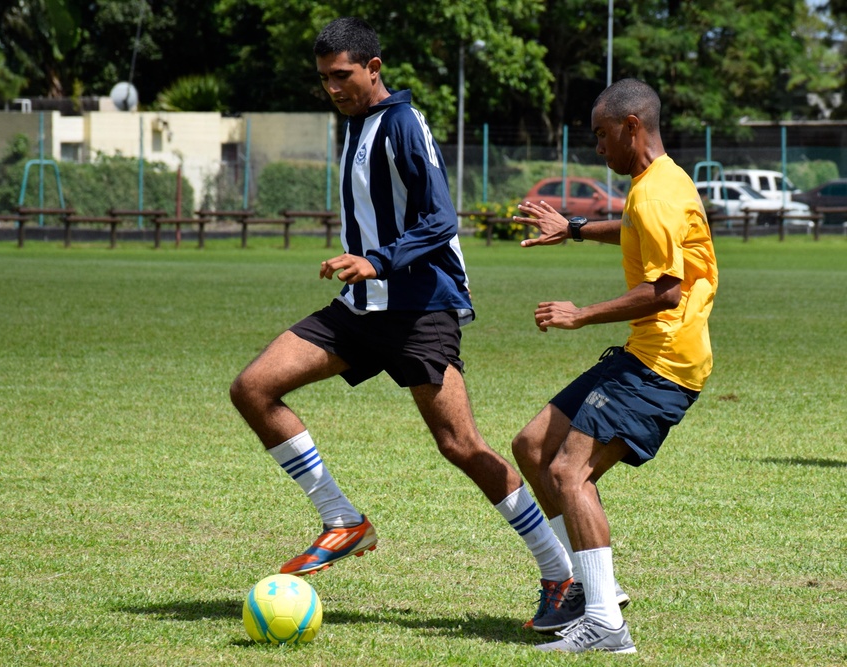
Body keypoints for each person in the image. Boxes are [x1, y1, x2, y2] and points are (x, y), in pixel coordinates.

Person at [230, 16, 573, 617]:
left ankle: (560, 574)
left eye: (342, 76)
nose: (333, 88)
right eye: (324, 79)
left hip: (420, 310)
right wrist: (365, 269)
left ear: (373, 68)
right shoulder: (358, 125)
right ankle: (342, 520)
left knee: (461, 445)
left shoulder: (401, 124)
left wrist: (376, 260)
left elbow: (442, 221)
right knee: (253, 388)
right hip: (361, 309)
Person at [509, 78, 718, 654]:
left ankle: (605, 624)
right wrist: (573, 228)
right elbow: (635, 234)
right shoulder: (661, 179)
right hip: (645, 351)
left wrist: (582, 315)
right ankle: (585, 588)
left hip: (664, 362)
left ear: (631, 127)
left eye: (602, 137)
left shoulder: (654, 194)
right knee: (532, 446)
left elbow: (665, 291)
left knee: (568, 474)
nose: (597, 150)